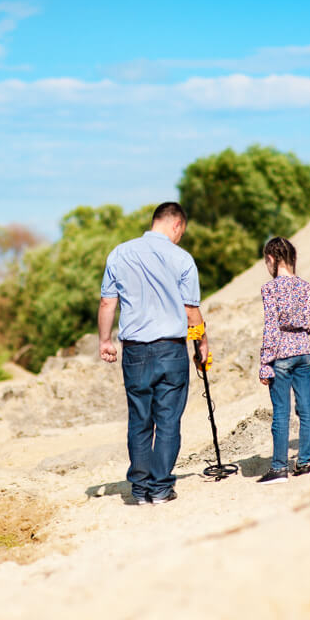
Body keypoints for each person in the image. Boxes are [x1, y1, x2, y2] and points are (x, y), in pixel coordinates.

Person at [98, 202, 208, 505]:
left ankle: (140, 489)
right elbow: (191, 311)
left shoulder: (119, 253)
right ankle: (160, 488)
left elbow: (108, 303)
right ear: (177, 225)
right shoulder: (182, 259)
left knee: (140, 419)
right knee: (169, 420)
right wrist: (202, 344)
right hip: (171, 349)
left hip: (134, 350)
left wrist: (105, 340)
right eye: (181, 232)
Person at [258, 237, 310, 485]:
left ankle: (279, 468)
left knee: (281, 413)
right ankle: (304, 462)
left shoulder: (270, 288)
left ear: (271, 258)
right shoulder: (306, 287)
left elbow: (271, 327)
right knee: (306, 409)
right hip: (303, 351)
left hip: (281, 354)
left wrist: (264, 362)